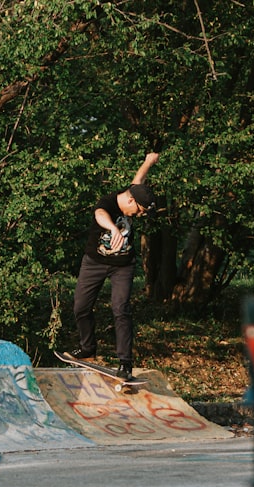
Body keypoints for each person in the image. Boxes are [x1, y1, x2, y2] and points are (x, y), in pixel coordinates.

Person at [70, 151, 159, 380]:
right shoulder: (108, 202)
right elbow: (100, 214)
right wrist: (112, 228)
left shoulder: (134, 192)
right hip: (94, 262)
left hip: (123, 265)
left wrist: (147, 161)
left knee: (120, 308)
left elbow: (138, 180)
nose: (137, 215)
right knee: (80, 307)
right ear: (130, 200)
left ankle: (125, 363)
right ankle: (87, 348)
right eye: (138, 210)